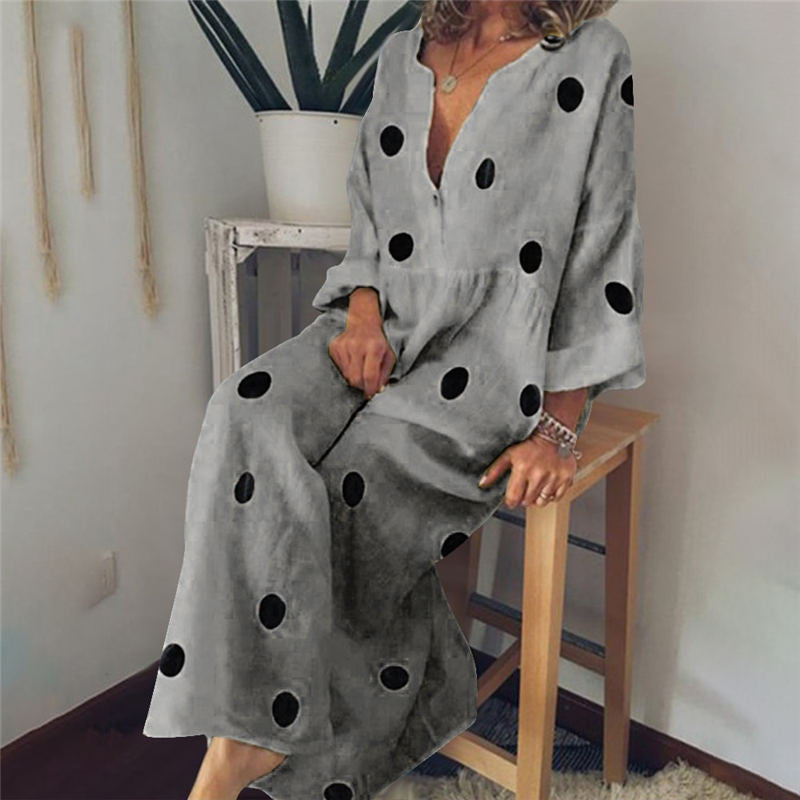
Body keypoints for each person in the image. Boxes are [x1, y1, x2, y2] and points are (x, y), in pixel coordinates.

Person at [142, 1, 646, 798]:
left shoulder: (591, 57)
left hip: (493, 357)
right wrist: (363, 312)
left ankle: (243, 751)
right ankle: (262, 725)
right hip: (380, 323)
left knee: (355, 480)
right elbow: (371, 211)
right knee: (243, 413)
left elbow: (601, 249)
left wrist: (556, 427)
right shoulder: (401, 54)